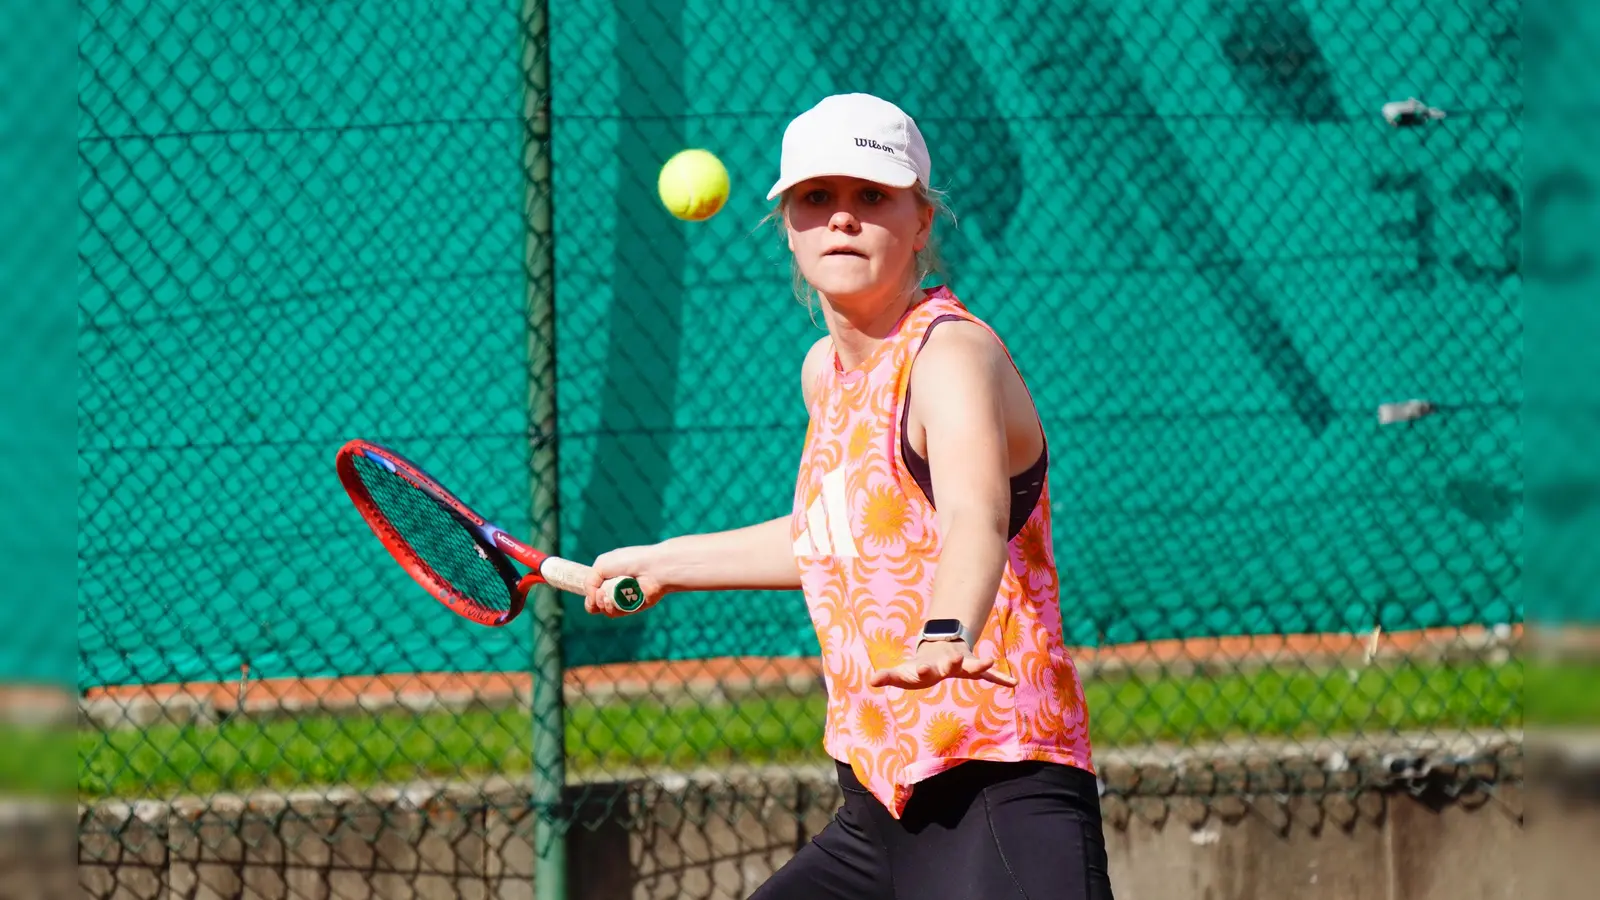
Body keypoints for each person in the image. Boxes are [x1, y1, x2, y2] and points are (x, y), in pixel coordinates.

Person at [585, 92, 1115, 900]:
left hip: (996, 789)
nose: (842, 217)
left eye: (872, 196)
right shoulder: (823, 374)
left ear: (922, 222)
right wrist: (667, 563)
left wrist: (947, 629)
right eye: (816, 198)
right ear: (789, 227)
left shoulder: (951, 354)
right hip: (874, 814)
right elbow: (830, 536)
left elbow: (975, 514)